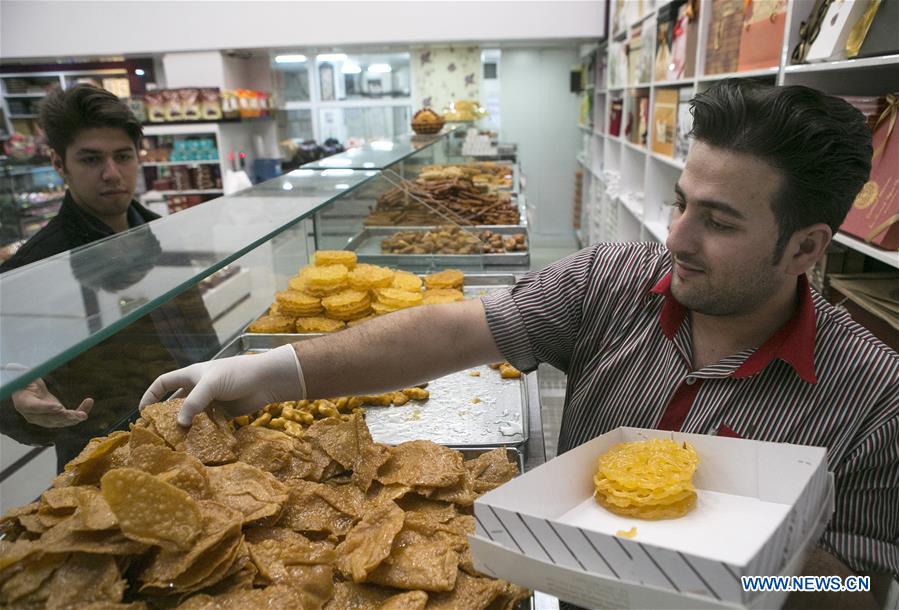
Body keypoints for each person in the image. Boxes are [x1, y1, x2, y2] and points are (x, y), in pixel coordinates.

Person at [141, 80, 897, 608]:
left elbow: (861, 586)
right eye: (679, 205)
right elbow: (453, 328)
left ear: (804, 248)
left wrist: (743, 573)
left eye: (719, 221)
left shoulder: (874, 397)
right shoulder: (611, 282)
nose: (677, 238)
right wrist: (271, 371)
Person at [0, 84, 219, 468]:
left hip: (199, 431)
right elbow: (15, 389)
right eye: (90, 159)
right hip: (106, 458)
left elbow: (199, 336)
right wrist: (19, 401)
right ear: (58, 163)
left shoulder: (164, 232)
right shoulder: (33, 267)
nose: (111, 173)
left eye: (122, 156)